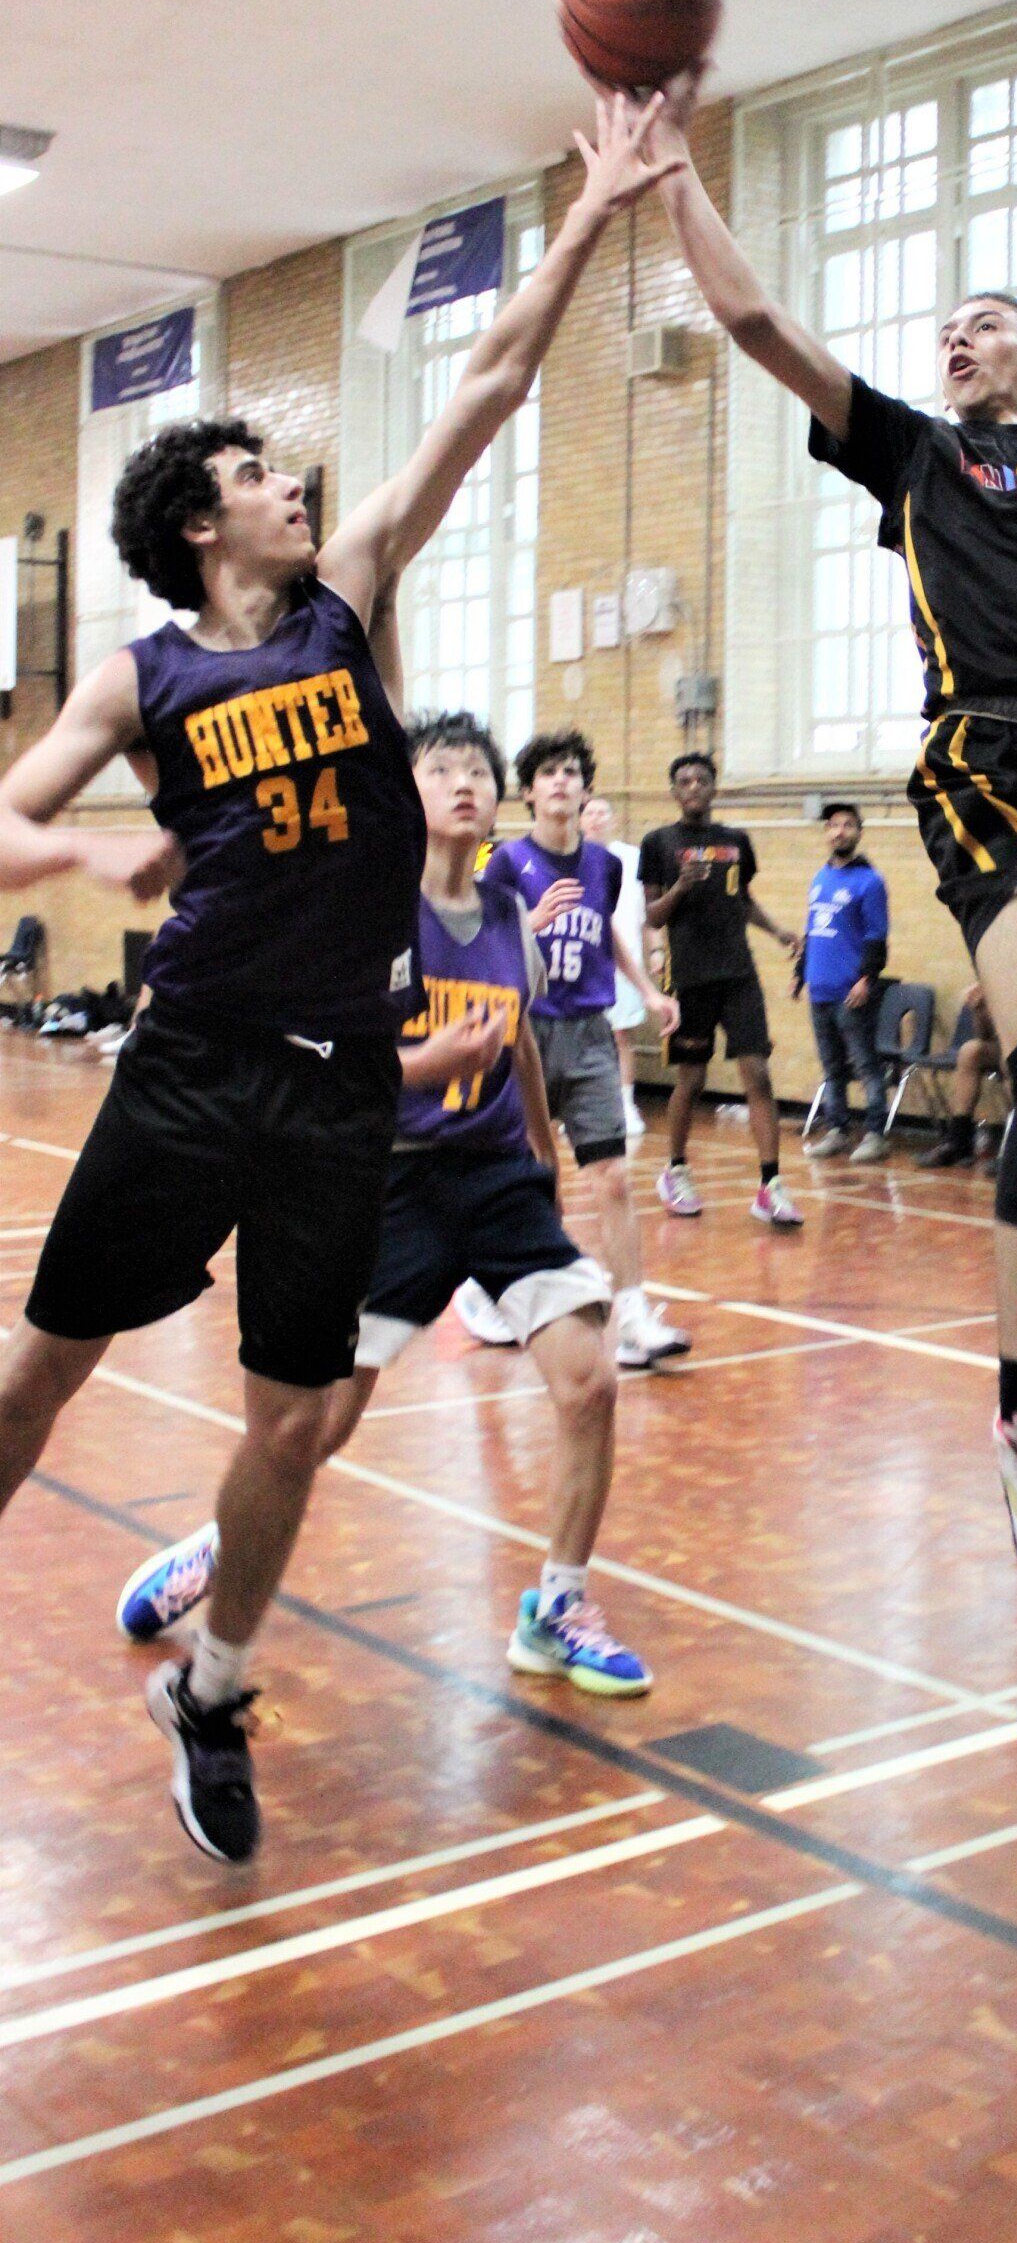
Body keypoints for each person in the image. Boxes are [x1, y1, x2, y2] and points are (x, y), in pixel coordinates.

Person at [0, 90, 673, 1860]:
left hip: (337, 1076)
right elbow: (5, 820)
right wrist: (80, 851)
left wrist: (594, 208)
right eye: (258, 476)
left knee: (298, 1413)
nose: (295, 484)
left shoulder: (350, 597)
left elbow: (487, 391)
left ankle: (211, 1685)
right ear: (204, 529)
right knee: (44, 1368)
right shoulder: (138, 680)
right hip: (197, 1055)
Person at [645, 82, 1017, 1606]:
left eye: (982, 323)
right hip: (990, 755)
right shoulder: (918, 454)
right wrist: (672, 180)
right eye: (947, 330)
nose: (952, 340)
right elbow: (760, 322)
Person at [116, 712, 656, 1699]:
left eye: (476, 771)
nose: (463, 782)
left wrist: (539, 1153)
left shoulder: (505, 917)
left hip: (494, 1181)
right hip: (385, 1178)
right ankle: (218, 1542)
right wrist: (419, 1063)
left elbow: (523, 1043)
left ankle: (557, 1603)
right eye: (440, 767)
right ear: (405, 793)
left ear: (497, 800)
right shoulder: (361, 913)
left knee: (590, 1380)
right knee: (315, 1427)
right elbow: (310, 1061)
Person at [474, 731, 687, 1370]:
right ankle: (490, 1290)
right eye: (548, 772)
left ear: (585, 788)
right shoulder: (507, 861)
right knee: (535, 1179)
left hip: (591, 1031)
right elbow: (479, 938)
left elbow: (609, 936)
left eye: (572, 771)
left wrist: (648, 991)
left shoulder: (604, 864)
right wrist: (529, 925)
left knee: (615, 1177)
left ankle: (632, 1314)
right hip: (526, 1036)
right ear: (530, 790)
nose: (561, 781)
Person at [640, 749, 802, 1225]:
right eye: (684, 781)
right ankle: (675, 1170)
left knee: (759, 1074)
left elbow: (742, 899)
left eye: (701, 780)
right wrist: (681, 888)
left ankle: (770, 1184)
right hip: (689, 976)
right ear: (674, 791)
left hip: (738, 973)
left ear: (714, 788)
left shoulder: (736, 841)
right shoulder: (658, 842)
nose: (693, 787)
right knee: (691, 1079)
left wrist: (777, 931)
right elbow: (652, 915)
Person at [798, 799, 890, 1159]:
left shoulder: (870, 881)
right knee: (831, 1067)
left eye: (848, 825)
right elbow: (813, 931)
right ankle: (837, 1129)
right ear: (826, 833)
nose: (840, 831)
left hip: (851, 992)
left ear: (858, 832)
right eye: (834, 825)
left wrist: (866, 978)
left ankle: (876, 1134)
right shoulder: (819, 879)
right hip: (819, 989)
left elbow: (876, 938)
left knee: (866, 1065)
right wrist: (799, 974)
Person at [582, 789, 652, 1142]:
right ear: (581, 820)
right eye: (589, 812)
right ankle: (581, 1107)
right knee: (586, 1038)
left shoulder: (632, 858)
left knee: (621, 1035)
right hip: (584, 964)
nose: (596, 818)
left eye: (602, 812)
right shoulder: (571, 858)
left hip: (626, 963)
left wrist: (655, 953)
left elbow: (646, 917)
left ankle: (625, 1104)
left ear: (613, 819)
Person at [920, 981, 1005, 1169]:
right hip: (1008, 1044)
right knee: (970, 1051)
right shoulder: (999, 980)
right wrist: (979, 1009)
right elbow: (984, 1035)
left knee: (1014, 1056)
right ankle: (959, 1140)